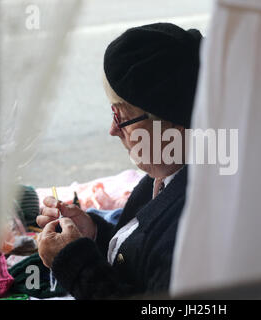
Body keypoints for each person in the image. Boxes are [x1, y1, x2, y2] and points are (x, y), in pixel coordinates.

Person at [36, 22, 202, 299]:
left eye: (122, 118)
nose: (112, 130)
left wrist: (75, 262)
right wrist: (93, 235)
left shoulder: (194, 231)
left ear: (175, 127)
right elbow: (141, 257)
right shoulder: (167, 175)